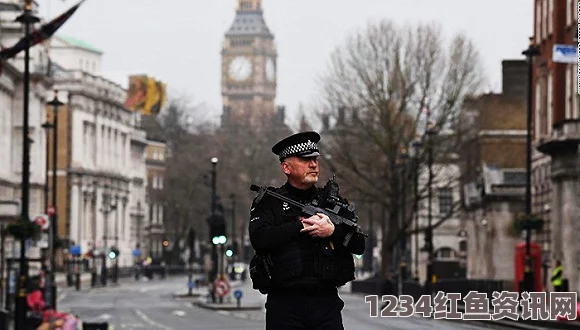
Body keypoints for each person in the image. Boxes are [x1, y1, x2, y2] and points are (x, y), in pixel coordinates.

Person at [249, 131, 366, 330]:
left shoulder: (333, 203)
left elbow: (359, 244)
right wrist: (301, 226)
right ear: (286, 167)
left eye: (315, 159)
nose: (313, 165)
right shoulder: (270, 202)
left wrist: (332, 231)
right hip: (285, 304)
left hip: (326, 303)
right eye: (305, 160)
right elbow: (259, 238)